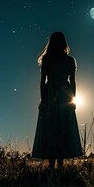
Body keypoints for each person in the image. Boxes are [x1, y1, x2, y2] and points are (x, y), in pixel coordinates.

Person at [32, 32, 83, 171]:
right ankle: (59, 167)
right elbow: (72, 82)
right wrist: (73, 99)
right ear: (64, 43)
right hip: (64, 94)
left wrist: (43, 99)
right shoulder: (69, 60)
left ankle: (52, 166)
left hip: (51, 93)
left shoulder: (47, 59)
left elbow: (43, 82)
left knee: (51, 128)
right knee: (62, 127)